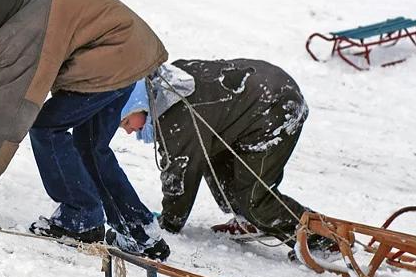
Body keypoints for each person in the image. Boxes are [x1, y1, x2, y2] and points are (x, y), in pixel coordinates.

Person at [0, 0, 170, 260]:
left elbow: (8, 110)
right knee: (90, 146)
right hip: (131, 52)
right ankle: (140, 231)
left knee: (45, 128)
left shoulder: (20, 32)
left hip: (113, 59)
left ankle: (81, 217)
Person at [118, 59, 324, 252]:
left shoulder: (176, 118)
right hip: (260, 99)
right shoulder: (164, 87)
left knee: (254, 199)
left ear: (138, 104)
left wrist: (169, 222)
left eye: (126, 122)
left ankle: (321, 238)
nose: (128, 131)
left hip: (276, 106)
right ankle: (249, 219)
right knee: (215, 163)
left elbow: (179, 175)